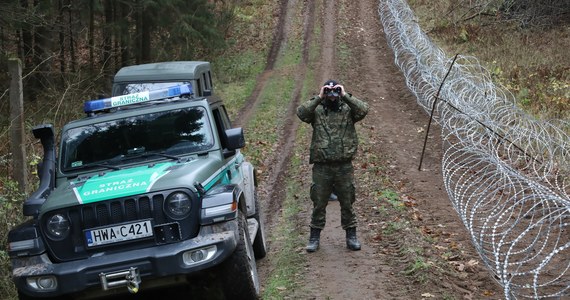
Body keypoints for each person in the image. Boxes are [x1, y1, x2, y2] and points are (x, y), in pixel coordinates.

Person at [296, 79, 369, 252]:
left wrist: (345, 94)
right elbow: (301, 113)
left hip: (344, 165)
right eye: (329, 91)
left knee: (347, 201)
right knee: (319, 202)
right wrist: (319, 96)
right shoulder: (318, 110)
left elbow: (363, 109)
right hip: (322, 166)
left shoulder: (347, 110)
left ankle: (351, 236)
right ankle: (314, 238)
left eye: (334, 91)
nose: (332, 94)